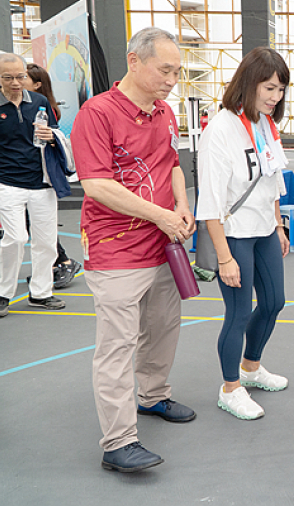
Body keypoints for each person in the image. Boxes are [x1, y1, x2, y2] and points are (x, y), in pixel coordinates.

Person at [71, 27, 196, 473]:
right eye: (165, 70)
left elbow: (172, 163)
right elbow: (97, 185)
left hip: (163, 243)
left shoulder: (165, 112)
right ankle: (118, 441)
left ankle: (153, 395)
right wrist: (161, 215)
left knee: (162, 328)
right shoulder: (97, 113)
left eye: (177, 72)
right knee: (117, 345)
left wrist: (181, 205)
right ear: (134, 61)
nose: (172, 80)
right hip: (115, 248)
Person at [197, 47, 291, 420]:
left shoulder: (266, 124)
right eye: (269, 88)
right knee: (238, 313)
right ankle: (230, 388)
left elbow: (272, 180)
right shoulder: (220, 129)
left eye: (280, 89)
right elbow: (210, 202)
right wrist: (224, 258)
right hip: (234, 234)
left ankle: (251, 367)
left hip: (265, 229)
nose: (275, 97)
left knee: (274, 302)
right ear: (249, 83)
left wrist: (279, 225)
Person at [0, 53, 66, 319]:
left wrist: (52, 136)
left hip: (42, 182)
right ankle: (3, 293)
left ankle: (41, 292)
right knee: (15, 238)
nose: (16, 83)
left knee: (47, 242)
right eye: (8, 78)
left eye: (20, 76)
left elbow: (55, 132)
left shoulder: (39, 102)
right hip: (7, 183)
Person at [23, 63, 83, 288]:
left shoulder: (44, 108)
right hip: (22, 175)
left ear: (37, 84)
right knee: (29, 225)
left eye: (23, 78)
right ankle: (52, 265)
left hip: (39, 176)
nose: (17, 82)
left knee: (37, 224)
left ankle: (63, 261)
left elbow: (48, 141)